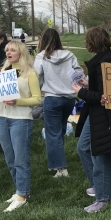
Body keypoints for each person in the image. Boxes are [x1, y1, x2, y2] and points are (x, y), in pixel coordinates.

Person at [72, 27, 111, 213]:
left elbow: (105, 96)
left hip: (105, 115)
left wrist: (81, 92)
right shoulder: (106, 60)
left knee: (100, 152)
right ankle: (101, 185)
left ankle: (103, 198)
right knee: (83, 147)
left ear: (91, 42)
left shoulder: (107, 62)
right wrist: (89, 84)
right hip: (95, 113)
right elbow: (103, 89)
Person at [0, 41, 42, 212]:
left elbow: (37, 99)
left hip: (21, 119)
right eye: (7, 49)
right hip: (2, 116)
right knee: (9, 158)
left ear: (21, 53)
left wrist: (18, 101)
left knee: (20, 159)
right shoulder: (3, 71)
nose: (8, 52)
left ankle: (22, 195)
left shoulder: (30, 73)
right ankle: (20, 190)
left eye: (12, 50)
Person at [34, 28, 83, 178]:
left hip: (52, 97)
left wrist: (42, 87)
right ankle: (59, 160)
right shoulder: (69, 55)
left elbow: (37, 77)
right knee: (60, 130)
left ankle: (60, 168)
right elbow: (79, 74)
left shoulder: (41, 57)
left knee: (52, 133)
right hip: (69, 99)